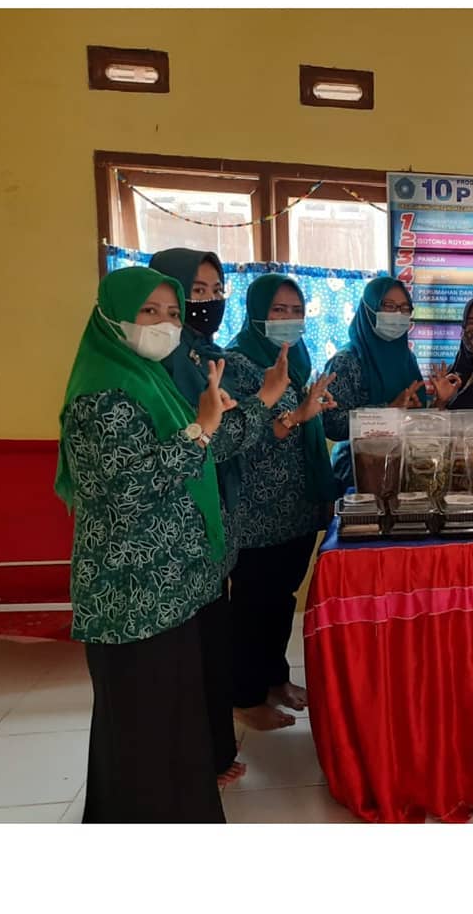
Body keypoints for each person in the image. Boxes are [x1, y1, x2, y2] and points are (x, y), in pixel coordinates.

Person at [56, 266, 236, 822]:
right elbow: (127, 491)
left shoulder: (148, 378)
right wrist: (200, 430)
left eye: (173, 313)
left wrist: (207, 425)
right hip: (130, 595)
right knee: (141, 732)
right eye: (149, 311)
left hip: (166, 589)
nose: (165, 324)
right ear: (113, 317)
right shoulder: (102, 393)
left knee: (170, 724)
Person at [148, 248, 289, 787]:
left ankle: (211, 753)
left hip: (211, 521)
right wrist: (266, 402)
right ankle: (195, 762)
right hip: (175, 531)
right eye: (194, 292)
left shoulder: (201, 355)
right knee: (186, 656)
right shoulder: (163, 365)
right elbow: (208, 442)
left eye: (214, 290)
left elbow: (214, 437)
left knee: (210, 644)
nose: (206, 302)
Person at [222, 274, 338, 732]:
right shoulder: (236, 364)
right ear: (256, 312)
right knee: (253, 604)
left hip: (296, 504)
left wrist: (312, 410)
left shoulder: (298, 358)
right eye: (278, 310)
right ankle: (245, 696)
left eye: (297, 311)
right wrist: (295, 416)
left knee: (281, 600)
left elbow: (305, 422)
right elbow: (236, 441)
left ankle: (275, 679)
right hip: (255, 509)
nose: (289, 319)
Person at [323, 276, 429, 488]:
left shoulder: (407, 359)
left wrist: (432, 405)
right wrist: (388, 411)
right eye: (388, 306)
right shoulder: (346, 361)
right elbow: (332, 423)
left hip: (403, 471)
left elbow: (416, 419)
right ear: (368, 309)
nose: (397, 314)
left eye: (404, 308)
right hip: (359, 475)